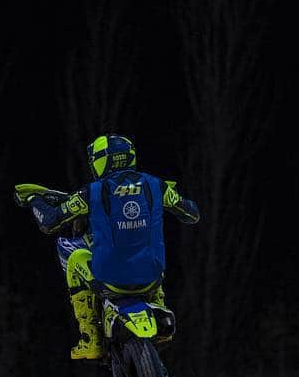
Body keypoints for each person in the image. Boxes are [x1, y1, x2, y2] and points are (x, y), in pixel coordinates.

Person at [13, 134, 200, 360]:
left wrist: (34, 200)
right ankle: (158, 305)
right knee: (146, 246)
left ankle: (90, 336)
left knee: (72, 255)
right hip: (152, 277)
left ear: (101, 160)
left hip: (110, 278)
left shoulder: (92, 192)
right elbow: (191, 214)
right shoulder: (156, 185)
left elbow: (49, 222)